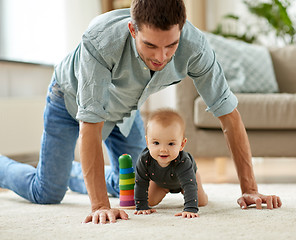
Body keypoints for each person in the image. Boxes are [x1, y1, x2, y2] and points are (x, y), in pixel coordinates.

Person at [0, 0, 281, 224]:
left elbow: (229, 115)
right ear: (133, 29)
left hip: (124, 108)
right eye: (150, 45)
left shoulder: (196, 47)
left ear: (181, 31)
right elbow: (91, 124)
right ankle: (27, 170)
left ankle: (69, 172)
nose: (161, 57)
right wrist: (100, 206)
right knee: (47, 192)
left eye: (171, 45)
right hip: (70, 100)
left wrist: (249, 189)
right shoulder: (100, 41)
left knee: (136, 189)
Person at [134, 109, 208, 219]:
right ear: (147, 142)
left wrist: (190, 209)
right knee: (150, 201)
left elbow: (189, 185)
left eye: (171, 144)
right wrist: (141, 206)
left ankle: (198, 186)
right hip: (160, 182)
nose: (163, 149)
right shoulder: (144, 160)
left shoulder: (183, 161)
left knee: (200, 202)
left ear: (182, 144)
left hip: (187, 180)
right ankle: (165, 189)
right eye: (156, 143)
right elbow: (140, 182)